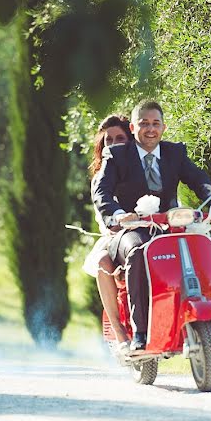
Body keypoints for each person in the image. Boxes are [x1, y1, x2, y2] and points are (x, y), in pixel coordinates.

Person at [91, 99, 211, 354]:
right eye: (144, 123)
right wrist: (118, 214)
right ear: (133, 127)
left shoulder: (175, 153)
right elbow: (101, 190)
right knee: (137, 251)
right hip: (133, 228)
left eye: (156, 124)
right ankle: (140, 332)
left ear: (164, 127)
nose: (151, 129)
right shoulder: (117, 155)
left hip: (170, 225)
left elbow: (199, 180)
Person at [84, 114, 133, 347]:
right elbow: (104, 211)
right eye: (108, 140)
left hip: (148, 229)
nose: (114, 144)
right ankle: (119, 331)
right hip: (115, 235)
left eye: (119, 138)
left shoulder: (141, 166)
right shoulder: (100, 179)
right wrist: (118, 220)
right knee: (104, 262)